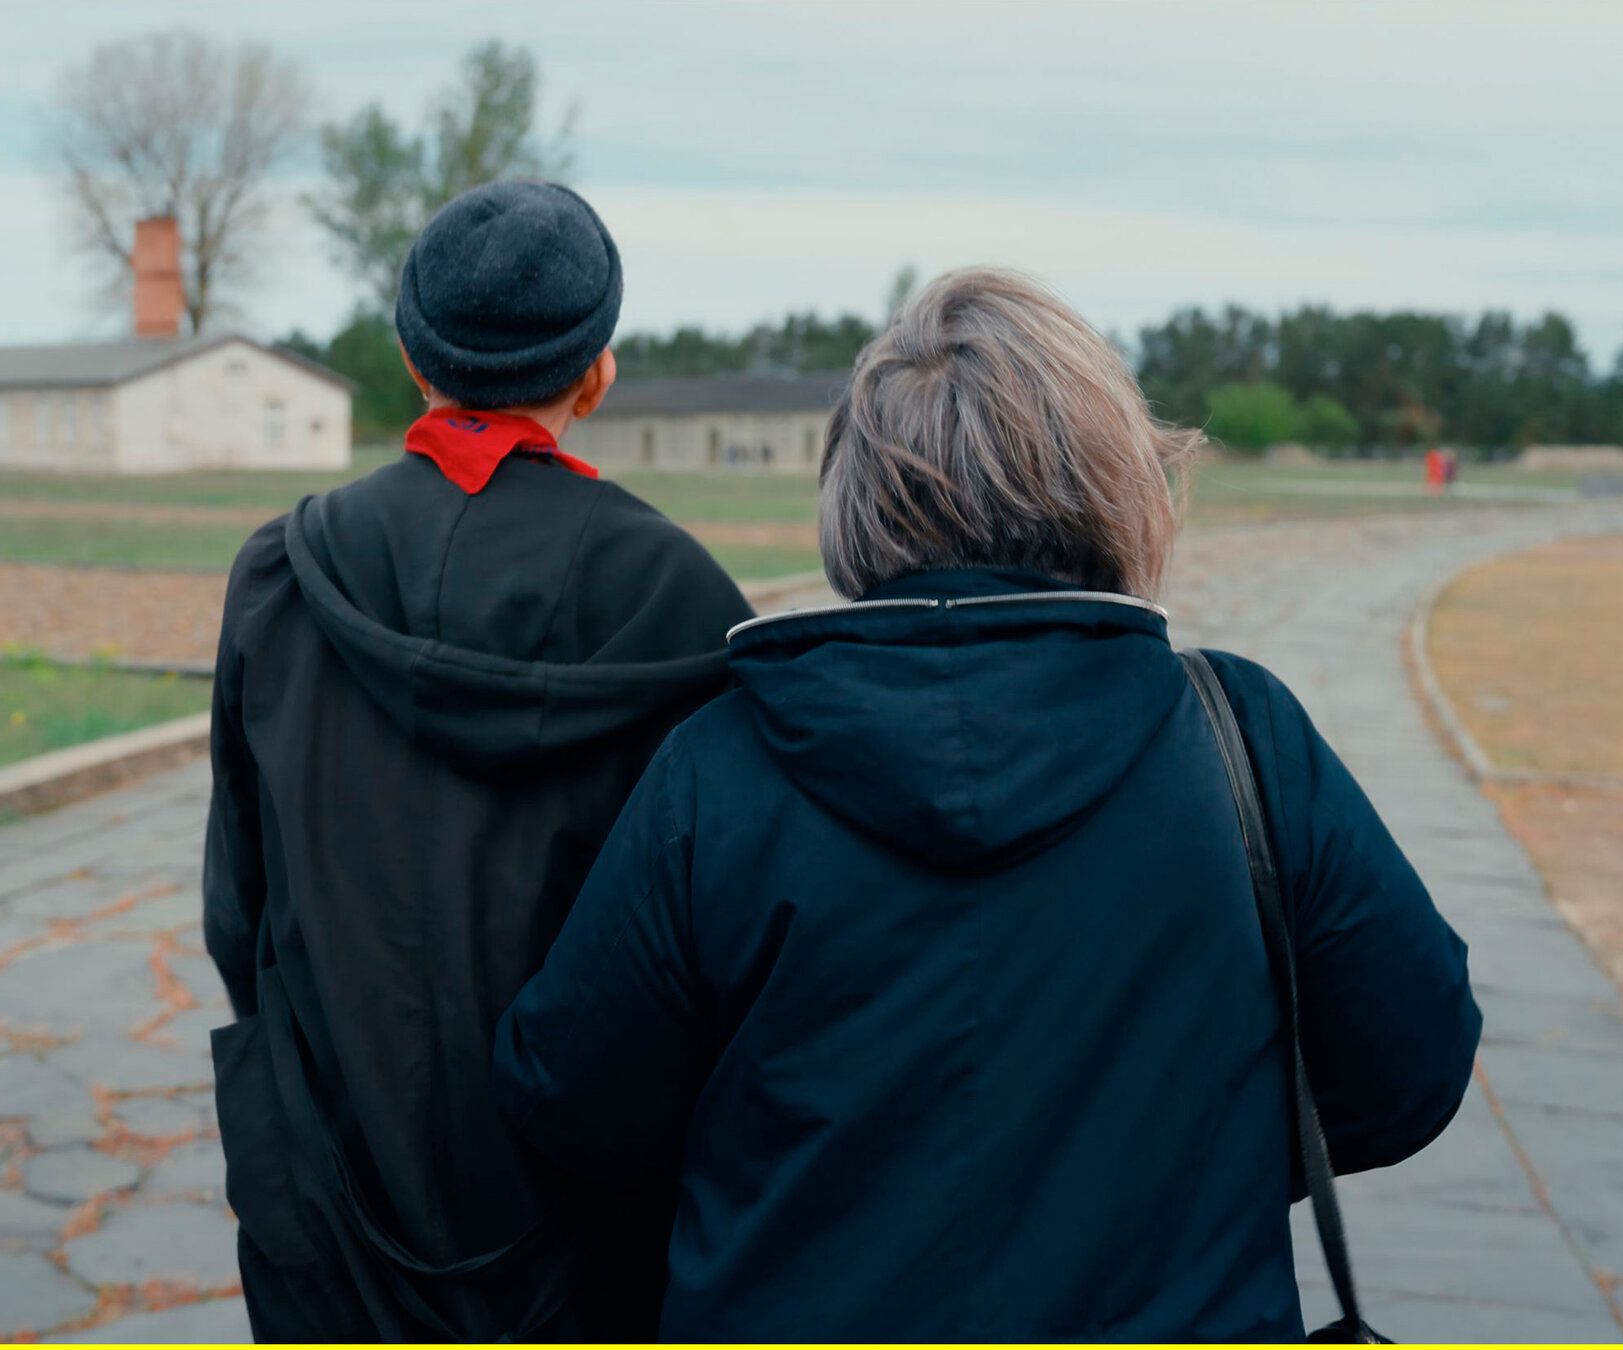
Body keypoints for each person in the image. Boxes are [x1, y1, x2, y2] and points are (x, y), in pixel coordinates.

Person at [494, 268, 1481, 1341]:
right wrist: (1193, 1161)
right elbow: (1411, 1063)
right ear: (1110, 479)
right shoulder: (1239, 735)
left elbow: (575, 1098)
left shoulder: (716, 767)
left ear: (853, 493)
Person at [202, 181, 752, 1342]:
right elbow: (719, 938)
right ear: (596, 375)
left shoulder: (281, 578)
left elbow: (236, 911)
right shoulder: (681, 601)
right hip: (598, 1231)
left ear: (413, 360)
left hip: (330, 1207)